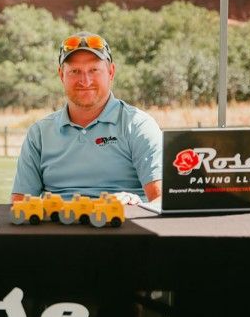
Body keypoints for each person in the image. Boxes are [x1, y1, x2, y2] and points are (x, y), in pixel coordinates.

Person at [11, 32, 162, 204]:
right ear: (61, 75)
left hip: (121, 225)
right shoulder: (39, 133)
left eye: (94, 70)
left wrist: (136, 205)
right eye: (75, 71)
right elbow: (19, 203)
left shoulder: (138, 125)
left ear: (111, 72)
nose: (85, 80)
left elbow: (160, 200)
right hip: (57, 227)